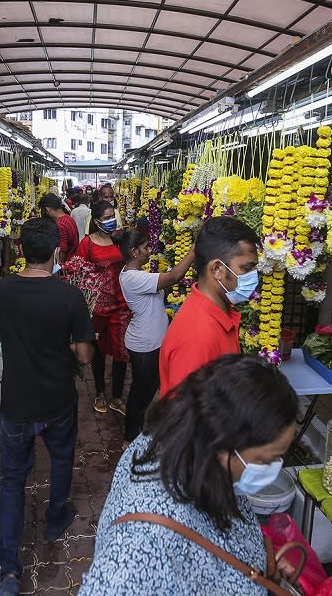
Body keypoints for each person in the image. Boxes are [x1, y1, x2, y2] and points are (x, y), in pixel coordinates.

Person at [79, 354, 300, 595]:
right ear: (222, 444)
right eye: (266, 460)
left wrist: (258, 563)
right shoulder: (141, 547)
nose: (274, 468)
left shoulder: (183, 445)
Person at [0, 218, 95, 596]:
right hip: (57, 400)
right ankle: (54, 518)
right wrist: (62, 347)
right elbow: (84, 354)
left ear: (20, 250)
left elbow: (4, 336)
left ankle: (9, 572)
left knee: (13, 481)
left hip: (17, 400)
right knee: (62, 459)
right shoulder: (69, 297)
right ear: (56, 252)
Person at [159, 216, 259, 397]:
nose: (254, 277)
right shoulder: (197, 339)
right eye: (246, 269)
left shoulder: (220, 314)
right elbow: (186, 421)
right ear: (217, 270)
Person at [112, 229, 195, 443]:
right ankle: (130, 438)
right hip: (145, 345)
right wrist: (195, 248)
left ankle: (137, 431)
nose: (149, 251)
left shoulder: (133, 273)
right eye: (146, 247)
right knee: (141, 393)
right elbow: (176, 276)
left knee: (145, 390)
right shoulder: (134, 277)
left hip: (149, 340)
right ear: (134, 251)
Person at [77, 200, 129, 415]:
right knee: (98, 351)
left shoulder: (121, 241)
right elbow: (78, 273)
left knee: (121, 351)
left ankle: (117, 397)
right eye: (106, 218)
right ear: (96, 220)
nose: (111, 221)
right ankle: (100, 392)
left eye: (112, 217)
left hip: (121, 304)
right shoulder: (87, 244)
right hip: (96, 307)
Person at [39, 192, 79, 263]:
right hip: (72, 261)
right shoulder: (69, 218)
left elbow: (61, 253)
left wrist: (57, 267)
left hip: (66, 266)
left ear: (47, 209)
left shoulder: (60, 225)